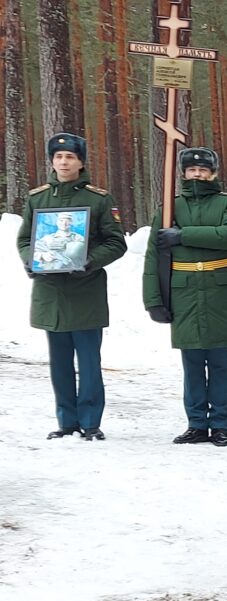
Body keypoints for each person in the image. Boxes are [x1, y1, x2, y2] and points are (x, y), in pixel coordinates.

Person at [16, 132, 128, 441]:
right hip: (51, 293)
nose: (64, 162)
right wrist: (31, 260)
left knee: (89, 362)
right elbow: (25, 239)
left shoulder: (98, 199)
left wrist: (88, 262)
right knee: (59, 363)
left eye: (70, 157)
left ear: (81, 162)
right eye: (58, 157)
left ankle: (91, 422)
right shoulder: (37, 198)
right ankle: (66, 421)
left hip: (85, 291)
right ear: (52, 161)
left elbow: (116, 243)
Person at [142, 147, 227, 447]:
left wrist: (183, 235)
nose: (197, 174)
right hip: (184, 292)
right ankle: (196, 424)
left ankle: (220, 425)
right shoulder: (169, 208)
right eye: (191, 170)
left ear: (213, 173)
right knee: (191, 364)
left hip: (220, 292)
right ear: (184, 173)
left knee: (219, 363)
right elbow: (153, 257)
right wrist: (153, 300)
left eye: (203, 170)